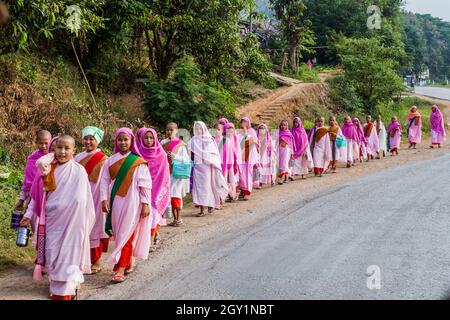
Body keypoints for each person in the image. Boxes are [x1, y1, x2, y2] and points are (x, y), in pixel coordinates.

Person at [20, 135, 95, 300]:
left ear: (74, 150)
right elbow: (37, 196)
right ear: (53, 150)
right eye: (58, 148)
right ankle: (56, 285)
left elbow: (83, 201)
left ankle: (68, 288)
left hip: (73, 223)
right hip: (52, 222)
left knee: (69, 253)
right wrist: (28, 214)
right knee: (53, 253)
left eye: (67, 148)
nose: (62, 152)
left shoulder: (79, 171)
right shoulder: (47, 170)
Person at [100, 128, 152, 283]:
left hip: (133, 202)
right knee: (118, 234)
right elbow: (104, 181)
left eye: (126, 139)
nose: (123, 142)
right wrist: (104, 199)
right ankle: (128, 262)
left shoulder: (138, 161)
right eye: (120, 139)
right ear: (116, 141)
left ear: (131, 141)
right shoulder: (110, 160)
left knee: (126, 234)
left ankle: (120, 268)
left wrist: (145, 203)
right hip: (115, 202)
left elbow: (145, 185)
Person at [74, 126, 109, 274]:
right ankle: (82, 260)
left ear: (98, 141)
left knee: (96, 226)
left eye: (91, 139)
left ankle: (96, 261)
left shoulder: (103, 159)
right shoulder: (77, 157)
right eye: (86, 139)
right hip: (81, 197)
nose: (88, 142)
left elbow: (105, 181)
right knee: (81, 227)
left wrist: (104, 199)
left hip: (96, 197)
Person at [136, 127, 171, 252]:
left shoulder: (161, 154)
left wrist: (161, 187)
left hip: (157, 189)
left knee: (154, 216)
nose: (148, 140)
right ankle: (144, 241)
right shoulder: (138, 153)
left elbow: (164, 173)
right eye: (146, 137)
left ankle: (150, 242)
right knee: (144, 217)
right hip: (143, 190)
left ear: (155, 139)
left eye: (151, 138)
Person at [189, 121, 229, 216]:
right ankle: (202, 209)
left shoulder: (209, 140)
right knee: (199, 188)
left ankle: (211, 204)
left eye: (200, 128)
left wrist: (211, 161)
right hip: (197, 167)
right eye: (197, 128)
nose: (198, 130)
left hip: (207, 167)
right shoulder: (192, 140)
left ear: (204, 129)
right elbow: (189, 154)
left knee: (208, 186)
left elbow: (214, 154)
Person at [161, 122, 190, 226]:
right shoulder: (163, 142)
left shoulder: (180, 144)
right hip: (165, 172)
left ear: (176, 131)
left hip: (176, 173)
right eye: (167, 130)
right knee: (168, 194)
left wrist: (174, 156)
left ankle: (178, 217)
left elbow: (186, 160)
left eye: (171, 130)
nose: (169, 132)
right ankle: (174, 218)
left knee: (175, 194)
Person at [15, 130, 52, 212]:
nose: (43, 146)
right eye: (40, 143)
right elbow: (27, 180)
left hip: (48, 196)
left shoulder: (53, 158)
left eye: (46, 143)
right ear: (36, 143)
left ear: (51, 142)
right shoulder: (32, 158)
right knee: (31, 219)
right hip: (31, 195)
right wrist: (22, 199)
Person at [236, 117, 259, 201]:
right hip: (240, 157)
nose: (243, 124)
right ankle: (242, 190)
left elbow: (254, 142)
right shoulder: (238, 132)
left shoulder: (252, 131)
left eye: (245, 122)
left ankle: (247, 192)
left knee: (247, 175)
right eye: (242, 122)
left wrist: (246, 133)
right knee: (241, 175)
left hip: (249, 157)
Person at [221, 122, 241, 202]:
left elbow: (238, 150)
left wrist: (236, 159)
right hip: (224, 162)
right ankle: (225, 194)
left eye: (231, 131)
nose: (229, 133)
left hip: (233, 161)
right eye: (228, 131)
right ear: (225, 131)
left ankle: (232, 195)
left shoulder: (235, 139)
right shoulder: (223, 139)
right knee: (225, 178)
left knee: (232, 178)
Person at [275, 120, 294, 184]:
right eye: (282, 125)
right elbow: (275, 141)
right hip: (280, 150)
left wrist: (292, 152)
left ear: (287, 126)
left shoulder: (289, 133)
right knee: (282, 163)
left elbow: (291, 144)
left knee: (284, 163)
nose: (283, 126)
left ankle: (282, 179)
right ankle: (286, 177)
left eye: (284, 125)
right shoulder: (278, 132)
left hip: (287, 150)